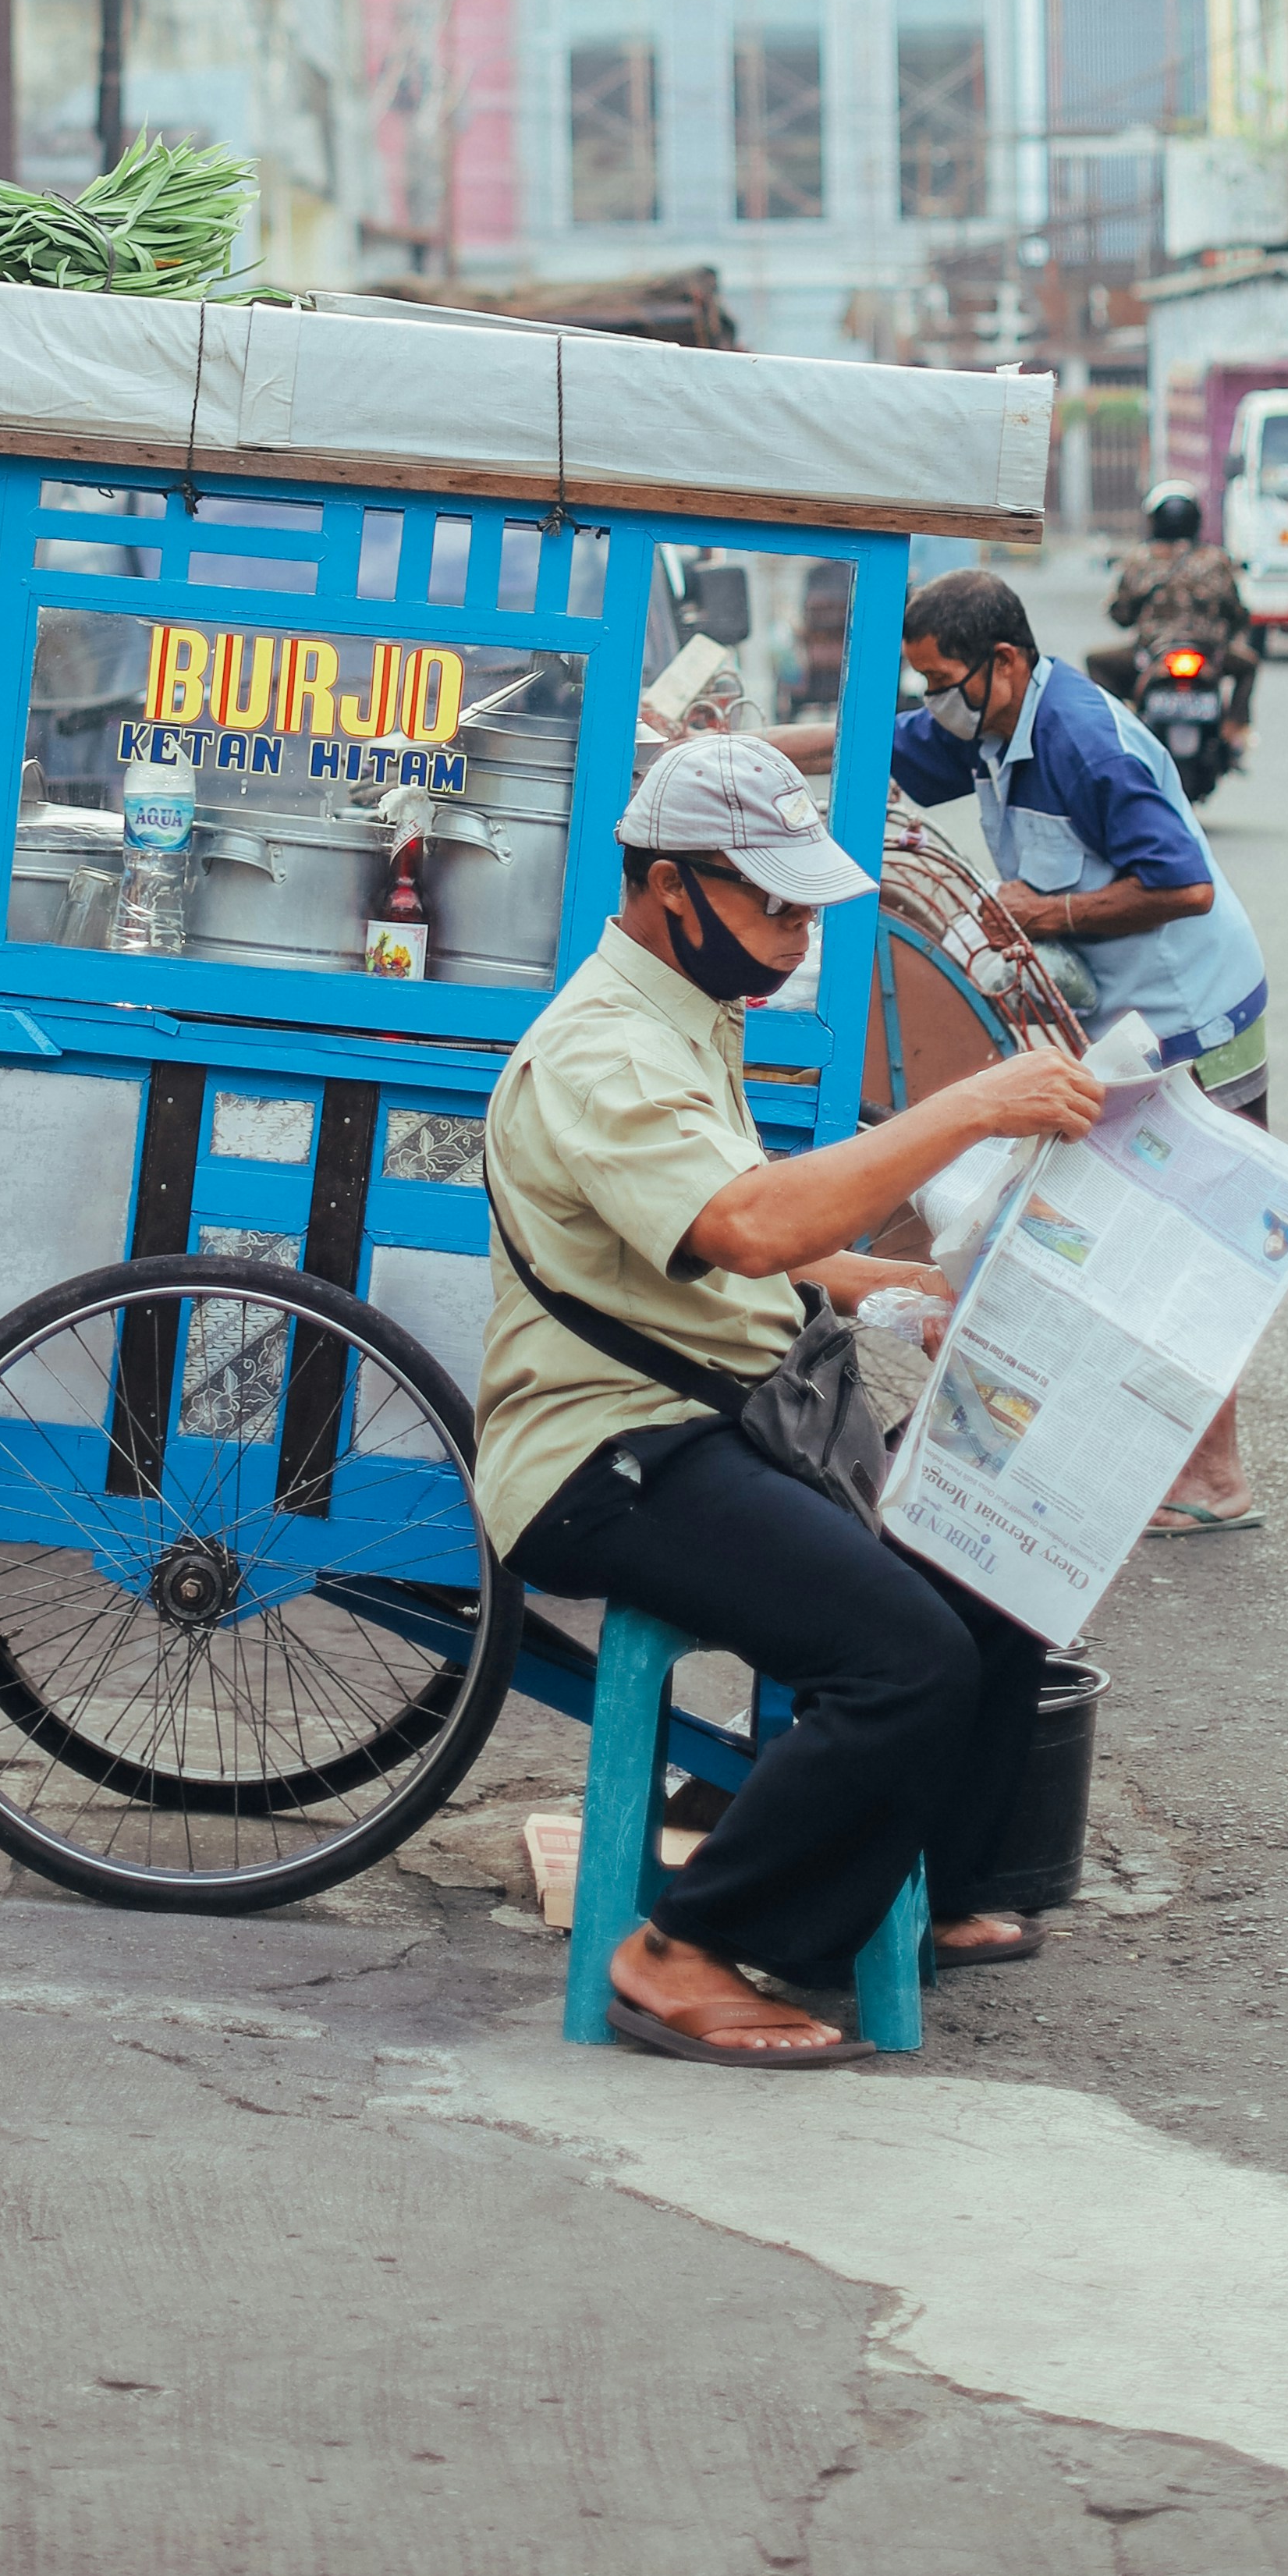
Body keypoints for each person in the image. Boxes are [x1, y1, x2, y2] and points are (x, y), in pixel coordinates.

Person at [480, 729, 1105, 2067]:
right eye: (769, 902)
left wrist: (896, 1288)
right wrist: (977, 1106)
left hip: (719, 1414)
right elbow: (748, 1225)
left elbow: (732, 1234)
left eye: (798, 903)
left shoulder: (685, 1018)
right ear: (663, 888)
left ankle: (917, 1885)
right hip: (611, 1456)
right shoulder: (603, 1052)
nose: (789, 930)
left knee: (990, 1567)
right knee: (902, 1654)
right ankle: (682, 1948)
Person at [891, 568, 1269, 1536]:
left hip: (1193, 1017)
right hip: (1121, 1023)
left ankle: (1214, 1478)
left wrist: (1046, 909)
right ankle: (1099, 1446)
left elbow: (1180, 886)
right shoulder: (983, 726)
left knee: (1188, 1245)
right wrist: (751, 749)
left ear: (1002, 664)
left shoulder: (1080, 741)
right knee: (1080, 1225)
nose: (931, 703)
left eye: (941, 683)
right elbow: (873, 750)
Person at [1087, 481, 1259, 758]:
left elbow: (1122, 615)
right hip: (1208, 653)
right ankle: (1234, 729)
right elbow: (1236, 611)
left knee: (1095, 661)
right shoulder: (1216, 559)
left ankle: (1116, 730)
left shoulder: (1140, 559)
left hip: (1155, 654)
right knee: (1248, 664)